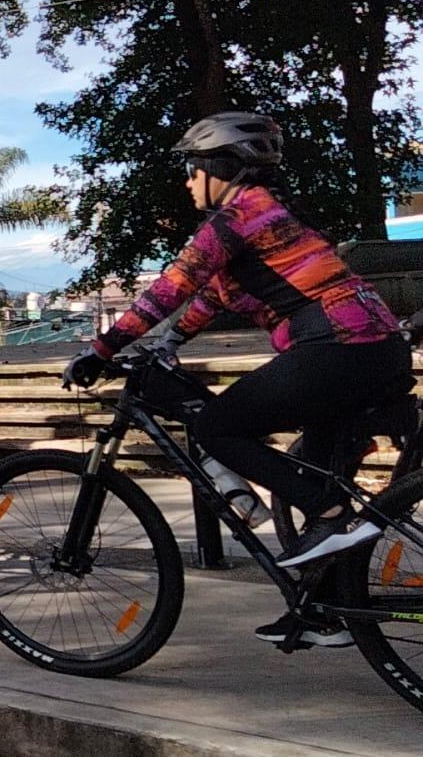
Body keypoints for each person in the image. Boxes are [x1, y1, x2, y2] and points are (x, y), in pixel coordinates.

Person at [62, 111, 412, 648]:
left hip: (338, 347)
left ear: (219, 168)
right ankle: (325, 612)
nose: (187, 182)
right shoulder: (270, 219)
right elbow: (214, 296)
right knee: (317, 477)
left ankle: (329, 512)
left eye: (191, 170)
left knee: (217, 427)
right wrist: (170, 342)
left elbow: (172, 287)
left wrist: (100, 349)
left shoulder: (236, 217)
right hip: (375, 350)